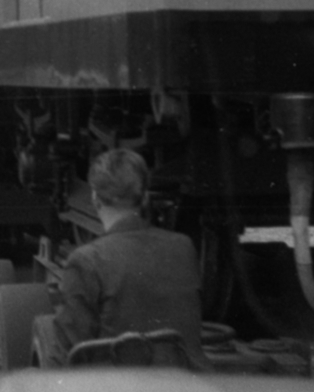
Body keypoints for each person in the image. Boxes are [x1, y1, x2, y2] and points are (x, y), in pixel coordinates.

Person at [32, 148, 206, 368]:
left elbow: (68, 353)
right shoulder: (184, 247)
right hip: (185, 383)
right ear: (144, 198)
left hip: (119, 386)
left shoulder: (86, 260)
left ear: (95, 198)